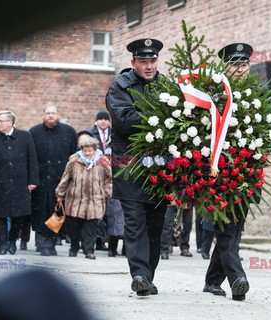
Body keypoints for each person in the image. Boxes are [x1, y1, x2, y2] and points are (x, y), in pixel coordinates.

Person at [106, 38, 167, 296]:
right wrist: (162, 116)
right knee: (134, 223)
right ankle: (139, 274)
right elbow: (124, 120)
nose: (149, 66)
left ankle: (148, 276)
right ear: (133, 63)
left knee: (155, 225)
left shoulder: (167, 86)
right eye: (143, 61)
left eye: (152, 61)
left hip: (162, 167)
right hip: (129, 166)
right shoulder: (120, 86)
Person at [203, 43, 254, 301]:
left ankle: (212, 281)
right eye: (234, 64)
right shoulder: (214, 93)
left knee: (234, 228)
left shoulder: (257, 96)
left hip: (245, 173)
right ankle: (237, 278)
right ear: (225, 67)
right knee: (225, 227)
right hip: (218, 172)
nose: (238, 69)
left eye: (242, 64)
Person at [0, 110, 39, 255]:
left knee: (19, 215)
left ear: (10, 122)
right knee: (0, 215)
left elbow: (32, 160)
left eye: (0, 121)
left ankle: (12, 240)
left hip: (20, 183)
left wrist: (33, 181)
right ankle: (2, 244)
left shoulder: (25, 136)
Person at [30, 103, 77, 256]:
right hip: (41, 180)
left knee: (57, 212)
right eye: (48, 113)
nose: (51, 116)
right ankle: (44, 244)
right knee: (41, 212)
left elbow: (73, 157)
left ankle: (52, 242)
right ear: (43, 115)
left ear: (58, 114)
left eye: (53, 113)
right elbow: (30, 158)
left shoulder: (69, 132)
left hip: (60, 180)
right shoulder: (34, 132)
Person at [55, 136, 112, 259]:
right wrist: (61, 193)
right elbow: (66, 177)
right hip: (76, 199)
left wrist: (106, 191)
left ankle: (89, 250)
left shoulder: (102, 161)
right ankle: (74, 247)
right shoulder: (74, 161)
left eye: (89, 150)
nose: (87, 153)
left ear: (94, 149)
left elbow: (110, 178)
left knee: (91, 227)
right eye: (85, 150)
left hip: (95, 199)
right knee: (74, 226)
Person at [90, 110, 112, 251]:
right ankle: (95, 240)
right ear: (96, 121)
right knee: (95, 208)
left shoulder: (114, 134)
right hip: (96, 173)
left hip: (110, 172)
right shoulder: (91, 134)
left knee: (109, 209)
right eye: (100, 119)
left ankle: (104, 239)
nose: (103, 121)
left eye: (106, 119)